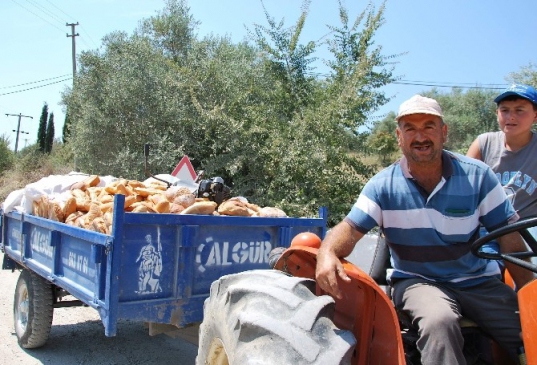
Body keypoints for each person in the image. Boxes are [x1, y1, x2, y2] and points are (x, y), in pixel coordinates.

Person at [315, 94, 534, 364]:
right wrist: (326, 253)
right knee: (439, 322)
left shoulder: (478, 176)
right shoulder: (382, 186)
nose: (420, 136)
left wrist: (530, 296)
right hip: (419, 281)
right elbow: (349, 229)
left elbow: (510, 240)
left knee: (530, 328)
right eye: (410, 129)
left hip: (477, 281)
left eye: (429, 126)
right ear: (399, 136)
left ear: (444, 132)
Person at [467, 84, 537, 256]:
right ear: (497, 113)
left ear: (535, 115)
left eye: (520, 110)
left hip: (528, 229)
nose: (511, 116)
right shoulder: (484, 144)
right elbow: (463, 189)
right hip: (487, 230)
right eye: (504, 110)